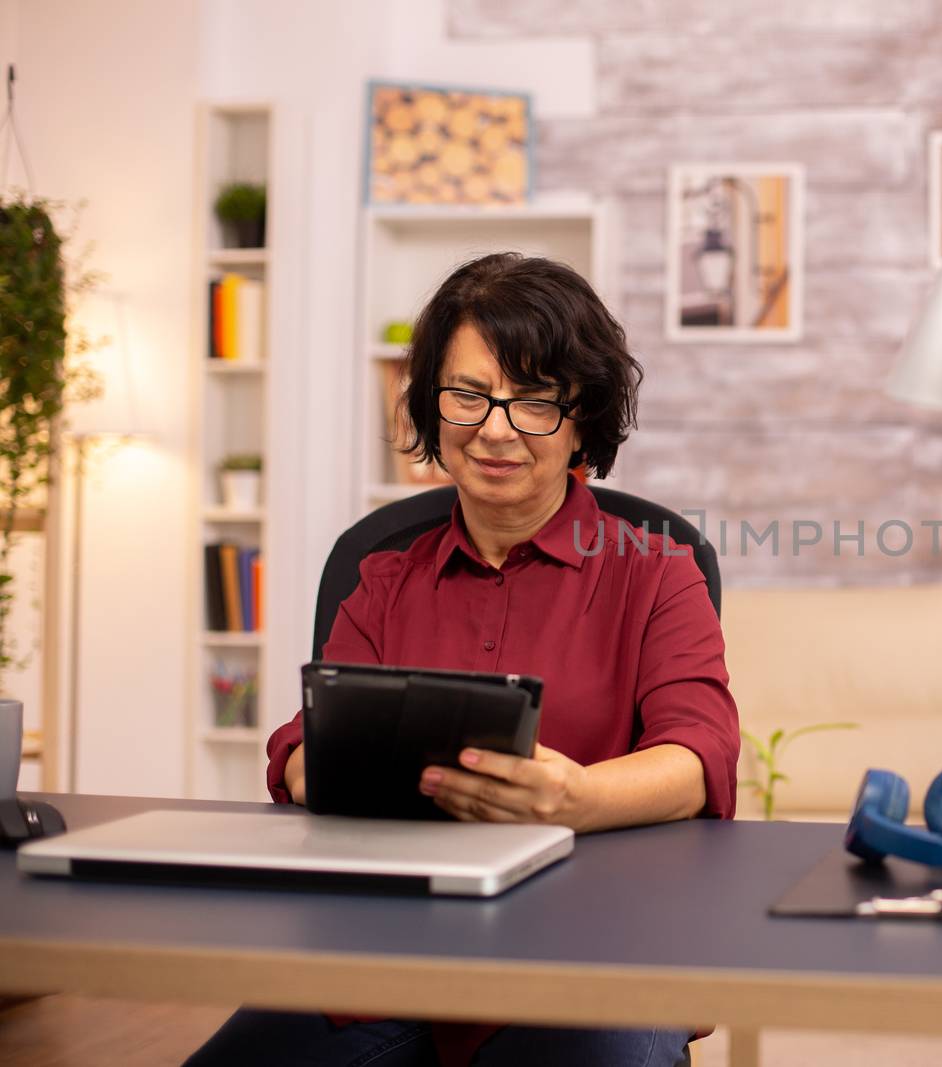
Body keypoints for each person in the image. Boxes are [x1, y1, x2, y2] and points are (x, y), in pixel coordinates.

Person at [185, 253, 739, 1067]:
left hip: (598, 954)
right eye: (470, 394)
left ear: (582, 417)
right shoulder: (380, 574)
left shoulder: (656, 569)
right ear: (432, 406)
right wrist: (313, 763)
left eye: (534, 401)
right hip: (387, 955)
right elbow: (306, 743)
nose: (495, 428)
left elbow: (701, 754)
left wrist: (576, 796)